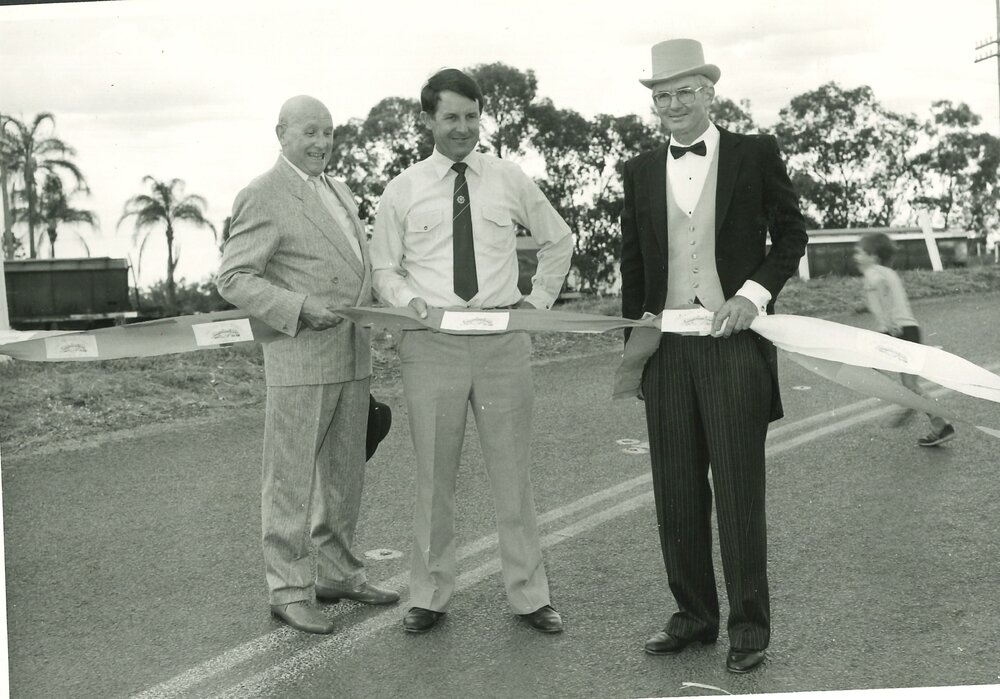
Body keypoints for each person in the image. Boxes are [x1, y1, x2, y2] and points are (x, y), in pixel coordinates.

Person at [620, 39, 808, 673]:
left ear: (709, 93)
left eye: (683, 92)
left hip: (734, 347)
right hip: (667, 348)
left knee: (736, 489)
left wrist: (753, 296)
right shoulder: (640, 170)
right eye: (661, 96)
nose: (672, 104)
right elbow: (634, 263)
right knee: (674, 491)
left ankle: (749, 627)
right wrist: (636, 351)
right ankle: (693, 615)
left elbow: (791, 234)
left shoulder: (755, 154)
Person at [370, 68, 574, 634]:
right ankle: (429, 595)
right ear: (427, 121)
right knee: (434, 477)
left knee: (513, 474)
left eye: (471, 116)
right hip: (430, 344)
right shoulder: (402, 189)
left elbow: (559, 239)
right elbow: (382, 265)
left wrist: (538, 304)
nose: (463, 127)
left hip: (503, 345)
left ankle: (531, 596)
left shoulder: (508, 178)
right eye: (451, 117)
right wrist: (407, 299)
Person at [216, 95, 399, 635]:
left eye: (329, 133)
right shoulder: (262, 193)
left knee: (346, 477)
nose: (321, 143)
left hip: (351, 356)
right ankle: (289, 589)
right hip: (299, 358)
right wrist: (297, 307)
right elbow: (233, 278)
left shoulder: (337, 189)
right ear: (281, 134)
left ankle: (339, 573)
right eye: (309, 133)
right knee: (290, 480)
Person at [853, 232, 956, 446]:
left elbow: (880, 287)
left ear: (873, 256)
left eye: (859, 252)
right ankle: (941, 426)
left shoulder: (873, 272)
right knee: (910, 384)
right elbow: (887, 293)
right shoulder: (889, 272)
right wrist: (867, 307)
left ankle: (905, 401)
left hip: (894, 331)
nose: (855, 256)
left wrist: (885, 318)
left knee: (861, 365)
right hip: (910, 330)